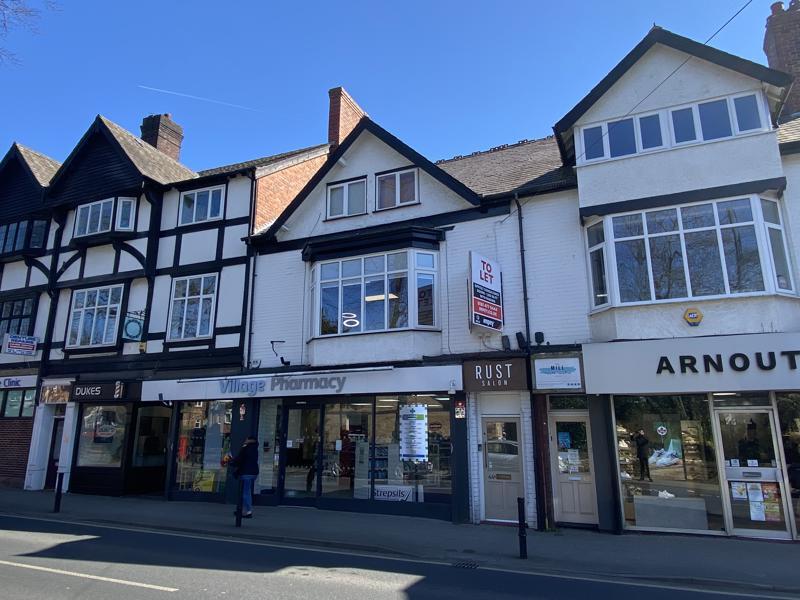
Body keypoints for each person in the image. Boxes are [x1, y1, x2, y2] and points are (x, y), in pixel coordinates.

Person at [231, 436, 259, 518]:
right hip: (254, 472)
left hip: (246, 472)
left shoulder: (246, 448)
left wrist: (232, 462)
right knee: (246, 492)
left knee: (245, 493)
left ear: (249, 440)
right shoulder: (255, 448)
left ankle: (248, 511)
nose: (245, 440)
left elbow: (240, 458)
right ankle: (243, 510)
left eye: (246, 439)